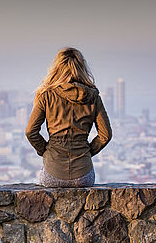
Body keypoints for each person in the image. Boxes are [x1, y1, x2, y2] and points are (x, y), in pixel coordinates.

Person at [25, 47, 112, 187]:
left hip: (52, 174)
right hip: (84, 176)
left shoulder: (47, 96)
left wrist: (46, 151)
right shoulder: (93, 97)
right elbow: (105, 135)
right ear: (82, 68)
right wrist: (87, 152)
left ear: (57, 68)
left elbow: (30, 131)